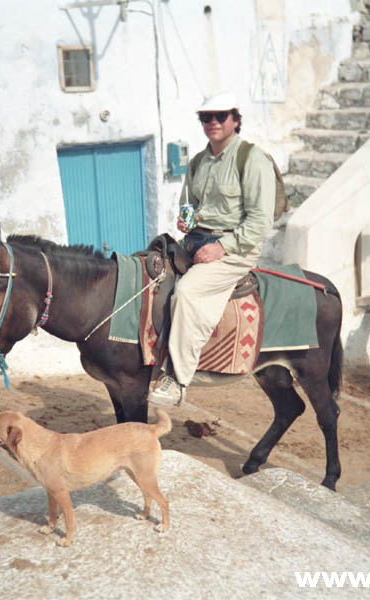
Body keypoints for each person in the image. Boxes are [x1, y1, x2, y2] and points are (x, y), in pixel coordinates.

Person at [148, 91, 275, 406]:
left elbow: (261, 220)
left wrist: (222, 247)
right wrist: (187, 222)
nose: (213, 123)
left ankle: (177, 380)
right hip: (195, 242)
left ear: (235, 119)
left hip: (234, 250)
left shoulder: (252, 159)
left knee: (187, 293)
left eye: (221, 116)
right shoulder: (198, 162)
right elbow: (189, 204)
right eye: (207, 117)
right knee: (148, 275)